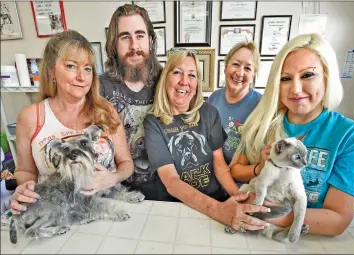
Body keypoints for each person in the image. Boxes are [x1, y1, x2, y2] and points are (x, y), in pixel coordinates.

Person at [231, 33, 354, 235]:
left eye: (307, 75)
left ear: (327, 76)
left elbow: (336, 221)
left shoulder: (351, 137)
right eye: (285, 78)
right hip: (251, 233)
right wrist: (261, 167)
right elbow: (237, 171)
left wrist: (259, 212)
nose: (296, 88)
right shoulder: (261, 123)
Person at [143, 49, 271, 231]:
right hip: (177, 206)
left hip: (216, 198)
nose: (184, 82)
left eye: (192, 75)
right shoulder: (153, 122)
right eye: (177, 72)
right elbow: (171, 181)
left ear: (197, 84)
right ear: (165, 78)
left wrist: (239, 197)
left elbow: (219, 165)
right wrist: (219, 210)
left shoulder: (208, 112)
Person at [10, 30, 134, 213]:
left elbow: (126, 163)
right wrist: (25, 188)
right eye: (71, 66)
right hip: (58, 212)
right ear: (52, 71)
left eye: (87, 68)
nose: (82, 77)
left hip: (107, 207)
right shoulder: (31, 117)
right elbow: (25, 171)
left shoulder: (106, 111)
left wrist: (112, 178)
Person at [99, 4, 163, 197]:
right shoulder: (98, 88)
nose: (134, 46)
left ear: (150, 41)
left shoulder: (168, 81)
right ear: (114, 45)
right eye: (125, 37)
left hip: (166, 191)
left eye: (140, 35)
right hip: (116, 192)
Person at [208, 42, 262, 165]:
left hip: (245, 177)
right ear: (226, 67)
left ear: (253, 74)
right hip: (215, 169)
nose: (240, 73)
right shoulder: (213, 98)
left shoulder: (261, 104)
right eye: (236, 64)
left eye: (248, 68)